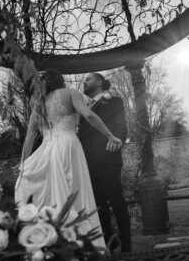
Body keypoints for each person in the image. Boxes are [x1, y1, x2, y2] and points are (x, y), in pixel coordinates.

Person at [15, 69, 123, 249]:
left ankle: (59, 246)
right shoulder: (71, 93)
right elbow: (88, 115)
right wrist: (110, 136)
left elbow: (30, 136)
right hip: (67, 145)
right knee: (75, 194)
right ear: (60, 81)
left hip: (47, 149)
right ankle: (85, 247)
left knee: (55, 196)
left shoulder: (38, 102)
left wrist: (24, 163)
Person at [79, 73, 131, 252]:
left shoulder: (114, 101)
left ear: (99, 82)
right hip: (88, 162)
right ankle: (109, 241)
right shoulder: (83, 107)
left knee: (116, 202)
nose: (84, 82)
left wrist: (118, 140)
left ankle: (127, 244)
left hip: (108, 158)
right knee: (98, 205)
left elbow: (122, 126)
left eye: (88, 79)